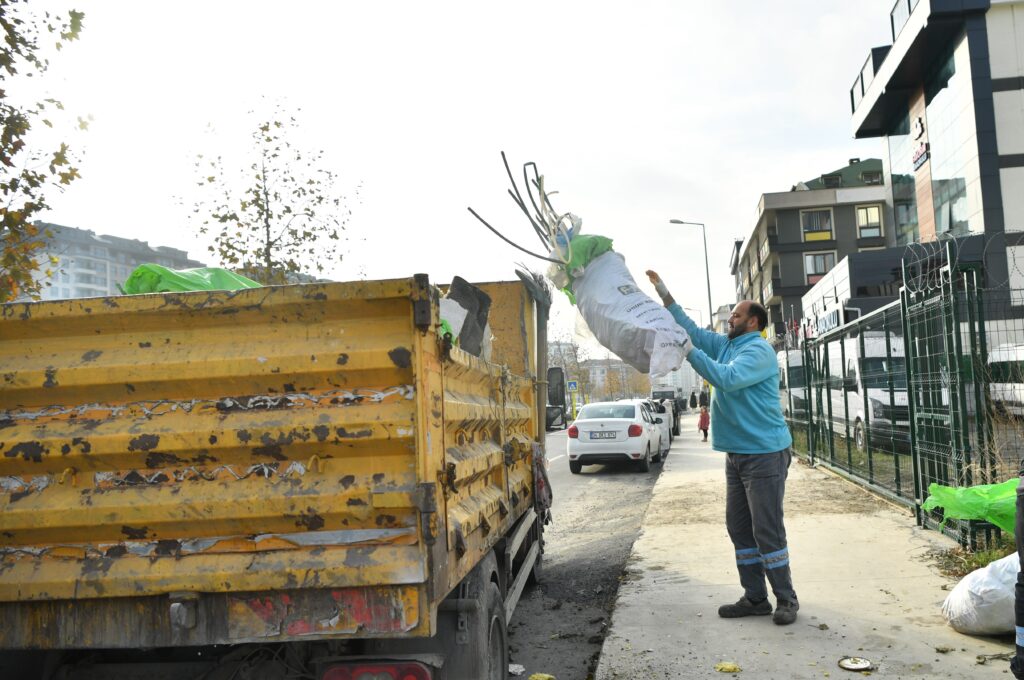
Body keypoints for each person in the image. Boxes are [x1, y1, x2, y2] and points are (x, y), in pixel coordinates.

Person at [646, 269, 798, 626]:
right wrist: (664, 292)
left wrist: (688, 353)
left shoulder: (759, 351)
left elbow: (724, 379)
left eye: (736, 314)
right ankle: (755, 597)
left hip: (764, 454)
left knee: (767, 529)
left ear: (753, 322)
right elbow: (692, 331)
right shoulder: (728, 344)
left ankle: (786, 599)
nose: (730, 318)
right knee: (740, 529)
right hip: (737, 454)